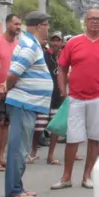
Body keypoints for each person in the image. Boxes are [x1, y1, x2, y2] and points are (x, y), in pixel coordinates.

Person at [53, 8, 99, 190]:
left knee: (94, 139)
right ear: (86, 21)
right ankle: (66, 177)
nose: (95, 22)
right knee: (72, 139)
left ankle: (87, 176)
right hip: (75, 97)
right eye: (91, 19)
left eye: (98, 19)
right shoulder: (74, 42)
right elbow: (61, 68)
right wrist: (63, 91)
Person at [0, 11, 54, 197]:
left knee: (22, 147)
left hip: (29, 103)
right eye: (46, 25)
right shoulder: (29, 45)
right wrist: (7, 86)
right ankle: (14, 190)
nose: (48, 28)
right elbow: (14, 73)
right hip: (24, 103)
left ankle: (18, 186)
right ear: (39, 26)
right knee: (19, 148)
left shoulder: (32, 43)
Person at [0, 14, 21, 172]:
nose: (18, 27)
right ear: (7, 24)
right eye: (15, 24)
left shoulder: (18, 44)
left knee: (6, 123)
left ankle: (1, 156)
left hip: (12, 90)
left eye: (19, 24)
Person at [40, 33, 66, 165]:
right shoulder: (44, 56)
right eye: (53, 40)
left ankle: (50, 155)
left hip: (58, 97)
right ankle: (33, 152)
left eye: (58, 41)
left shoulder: (64, 57)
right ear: (50, 41)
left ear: (62, 42)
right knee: (38, 127)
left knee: (55, 128)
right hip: (44, 96)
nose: (55, 43)